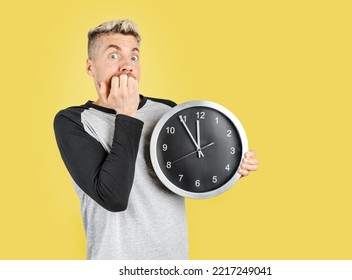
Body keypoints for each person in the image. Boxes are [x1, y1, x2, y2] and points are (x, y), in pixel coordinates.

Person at [53, 19, 258, 260]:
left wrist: (230, 166)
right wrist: (126, 114)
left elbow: (191, 172)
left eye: (134, 57)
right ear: (90, 67)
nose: (127, 66)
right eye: (113, 56)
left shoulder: (168, 112)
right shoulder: (74, 121)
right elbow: (113, 197)